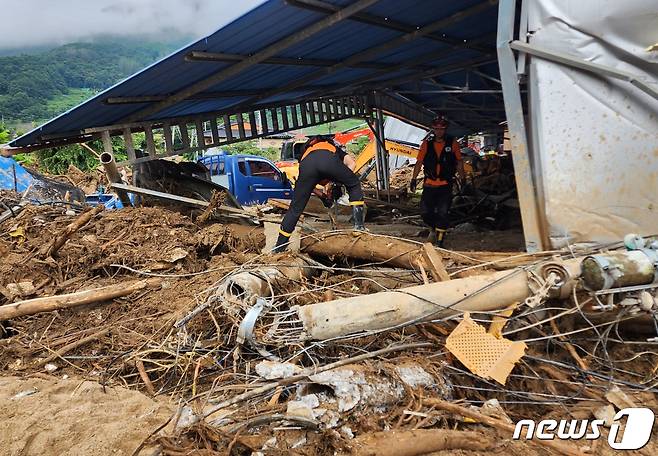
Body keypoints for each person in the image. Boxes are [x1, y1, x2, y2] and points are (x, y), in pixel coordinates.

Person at [273, 135, 366, 252]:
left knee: (295, 209)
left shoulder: (305, 155)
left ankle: (279, 247)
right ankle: (359, 227)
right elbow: (352, 163)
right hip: (329, 162)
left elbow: (310, 187)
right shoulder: (332, 147)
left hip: (307, 168)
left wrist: (323, 195)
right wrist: (340, 181)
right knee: (354, 184)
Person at [410, 115, 465, 247]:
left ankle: (440, 241)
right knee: (425, 212)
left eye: (442, 129)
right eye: (436, 129)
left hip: (445, 185)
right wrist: (413, 179)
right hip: (429, 184)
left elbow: (459, 162)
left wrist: (463, 179)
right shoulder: (426, 145)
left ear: (445, 129)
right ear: (433, 129)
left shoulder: (452, 143)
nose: (439, 131)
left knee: (443, 212)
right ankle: (434, 228)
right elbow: (419, 163)